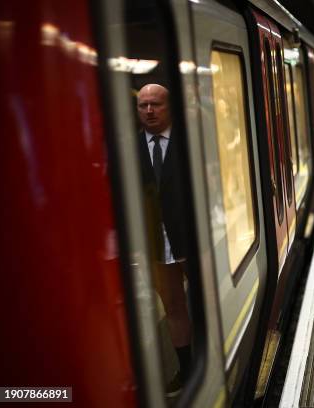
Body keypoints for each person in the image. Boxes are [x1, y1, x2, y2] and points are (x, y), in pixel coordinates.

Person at [137, 84, 193, 396]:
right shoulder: (129, 146)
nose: (149, 111)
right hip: (156, 242)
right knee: (172, 305)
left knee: (203, 301)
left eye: (155, 104)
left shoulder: (189, 142)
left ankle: (215, 356)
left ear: (169, 107)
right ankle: (186, 369)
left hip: (191, 240)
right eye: (143, 105)